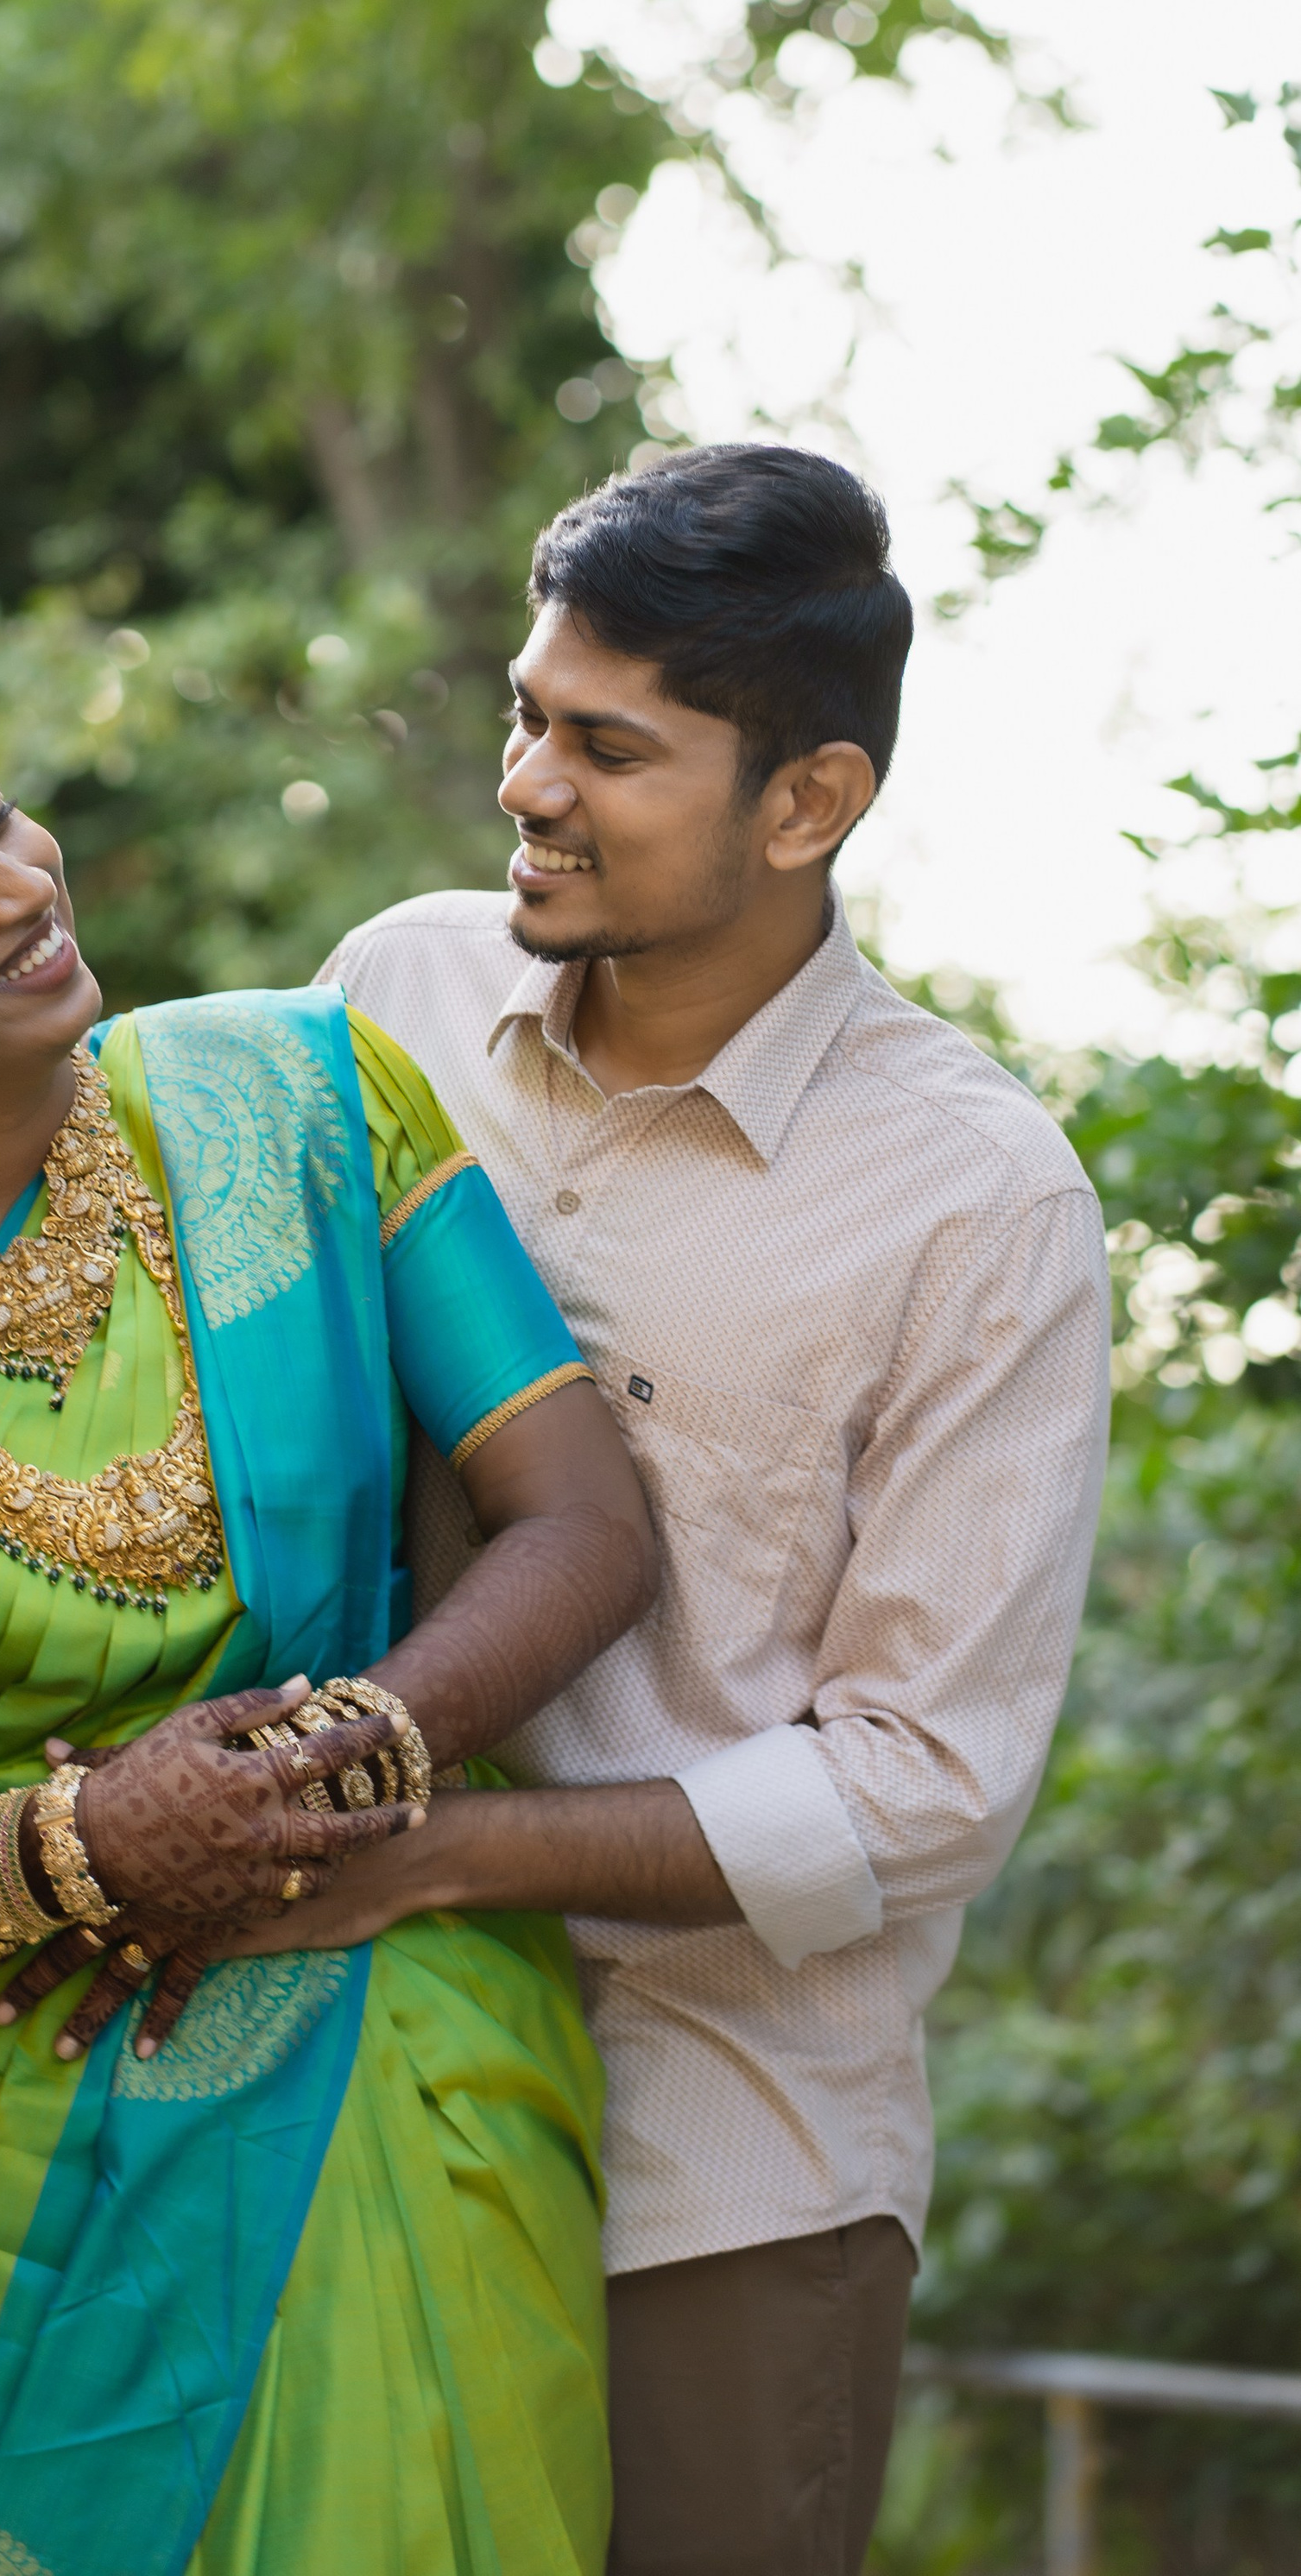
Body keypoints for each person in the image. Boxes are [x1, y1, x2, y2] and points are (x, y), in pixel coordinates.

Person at [0, 669, 657, 2576]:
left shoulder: (309, 1094)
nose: (21, 883)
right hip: (0, 2145)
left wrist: (324, 1772)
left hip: (394, 2046)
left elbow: (579, 1520)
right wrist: (67, 1851)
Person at [249, 445, 1109, 2576]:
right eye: (530, 715)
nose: (529, 781)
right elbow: (205, 1424)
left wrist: (436, 1860)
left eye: (608, 748)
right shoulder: (394, 998)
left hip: (711, 2177)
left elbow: (919, 1788)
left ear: (802, 803)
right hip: (312, 2074)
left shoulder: (978, 1203)